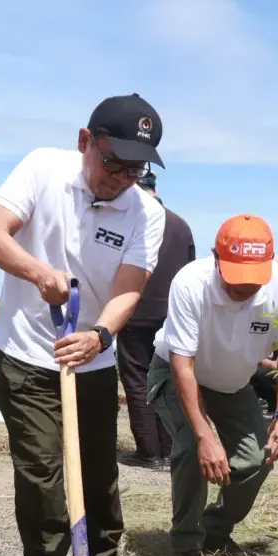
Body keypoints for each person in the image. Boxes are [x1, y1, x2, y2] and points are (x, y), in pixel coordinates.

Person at [0, 93, 166, 556]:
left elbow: (130, 287)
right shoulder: (42, 169)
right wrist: (40, 273)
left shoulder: (146, 212)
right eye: (114, 162)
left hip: (93, 357)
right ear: (86, 142)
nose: (124, 176)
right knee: (41, 467)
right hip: (28, 351)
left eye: (137, 167)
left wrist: (100, 337)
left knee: (99, 467)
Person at [148, 215, 278, 556]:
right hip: (176, 374)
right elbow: (183, 364)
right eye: (236, 278)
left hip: (233, 384)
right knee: (190, 446)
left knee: (256, 458)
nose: (246, 288)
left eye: (254, 278)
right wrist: (205, 435)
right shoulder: (190, 283)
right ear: (217, 257)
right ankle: (186, 550)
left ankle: (214, 529)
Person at [117, 170, 196, 469]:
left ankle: (149, 452)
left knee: (137, 381)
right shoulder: (181, 225)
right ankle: (169, 447)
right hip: (171, 315)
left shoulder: (132, 220)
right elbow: (190, 272)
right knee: (167, 379)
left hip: (133, 310)